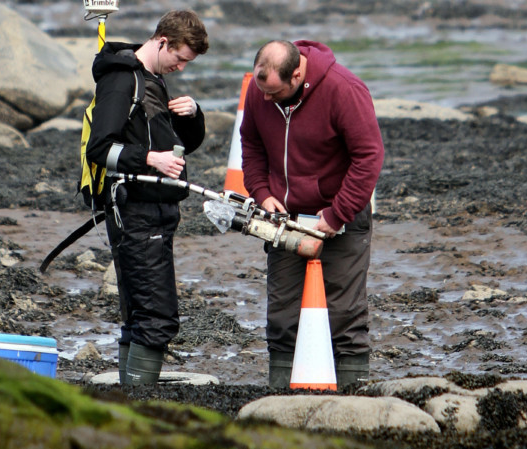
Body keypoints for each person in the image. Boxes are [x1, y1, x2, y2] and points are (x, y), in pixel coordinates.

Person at [240, 40, 384, 388]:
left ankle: (353, 397)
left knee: (345, 315)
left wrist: (337, 215)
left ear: (298, 74)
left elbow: (369, 157)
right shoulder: (261, 92)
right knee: (283, 315)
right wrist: (262, 193)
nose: (267, 99)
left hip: (341, 215)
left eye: (275, 93)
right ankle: (280, 395)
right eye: (263, 91)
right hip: (284, 219)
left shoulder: (343, 89)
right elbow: (251, 144)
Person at [85, 10, 209, 385]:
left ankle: (128, 401)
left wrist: (192, 116)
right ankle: (139, 407)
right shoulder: (122, 81)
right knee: (156, 317)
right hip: (134, 212)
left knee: (139, 313)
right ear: (162, 42)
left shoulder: (150, 78)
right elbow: (99, 148)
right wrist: (148, 159)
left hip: (154, 211)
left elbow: (180, 144)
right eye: (180, 58)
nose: (182, 68)